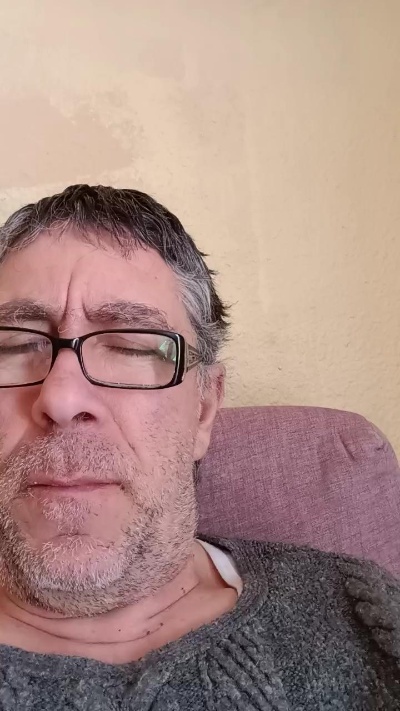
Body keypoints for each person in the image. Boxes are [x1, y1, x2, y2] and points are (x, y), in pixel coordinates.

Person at [0, 185, 397, 711]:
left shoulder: (361, 613)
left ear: (205, 408)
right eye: (14, 344)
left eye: (131, 346)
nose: (61, 398)